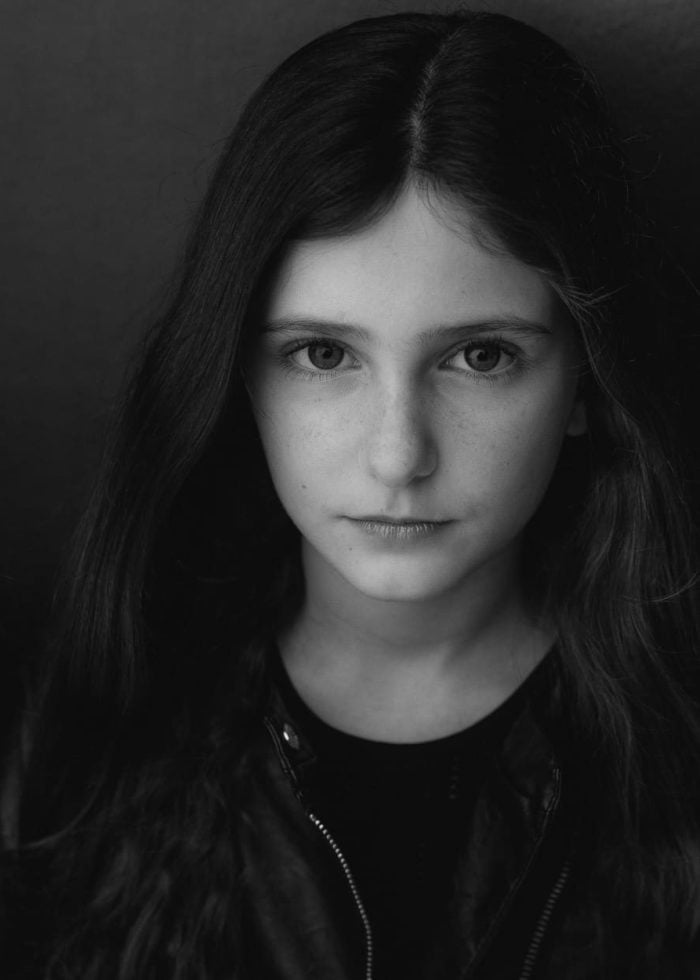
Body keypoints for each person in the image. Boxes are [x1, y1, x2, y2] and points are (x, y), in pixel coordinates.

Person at [2, 9, 700, 979]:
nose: (397, 454)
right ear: (238, 373)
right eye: (323, 353)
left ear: (586, 380)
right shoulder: (94, 727)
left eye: (479, 354)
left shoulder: (677, 741)